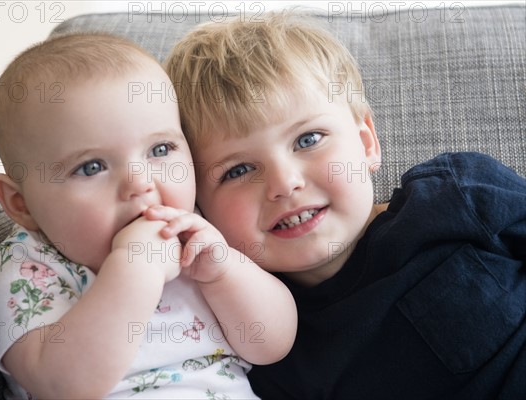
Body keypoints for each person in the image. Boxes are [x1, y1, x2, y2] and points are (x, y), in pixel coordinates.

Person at [162, 11, 526, 399]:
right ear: (200, 207)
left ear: (367, 143)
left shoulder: (453, 193)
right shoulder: (261, 341)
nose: (285, 184)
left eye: (308, 139)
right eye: (238, 170)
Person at [0, 33, 297, 399]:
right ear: (21, 204)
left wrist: (225, 271)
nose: (140, 184)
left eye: (160, 149)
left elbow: (271, 345)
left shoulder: (198, 232)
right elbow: (61, 385)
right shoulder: (33, 264)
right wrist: (135, 271)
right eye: (91, 167)